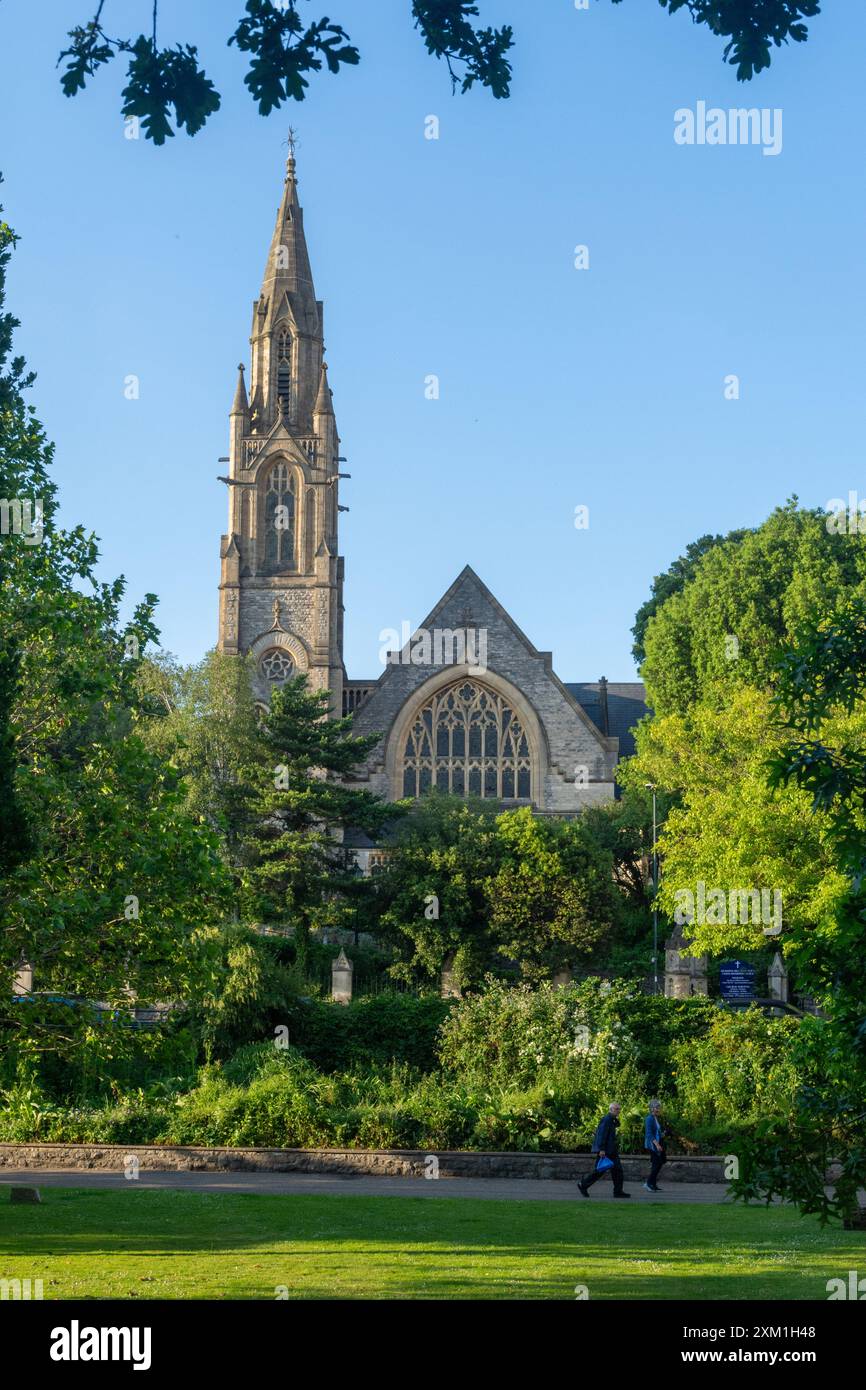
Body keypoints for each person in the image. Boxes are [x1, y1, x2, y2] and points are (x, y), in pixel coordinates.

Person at [578, 1102, 630, 1198]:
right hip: (605, 1150)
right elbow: (601, 1135)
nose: (619, 1111)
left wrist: (616, 1119)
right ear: (611, 1109)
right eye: (617, 1109)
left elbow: (617, 1125)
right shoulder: (606, 1120)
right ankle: (583, 1185)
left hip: (611, 1150)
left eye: (619, 1109)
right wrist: (601, 1149)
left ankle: (618, 1191)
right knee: (599, 1171)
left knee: (617, 1171)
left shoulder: (612, 1119)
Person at [644, 1099, 667, 1192]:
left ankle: (653, 1184)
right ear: (652, 1108)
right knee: (657, 1164)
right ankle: (648, 1183)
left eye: (659, 1107)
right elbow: (649, 1134)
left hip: (657, 1143)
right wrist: (657, 1145)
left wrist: (663, 1134)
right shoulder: (649, 1118)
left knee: (658, 1164)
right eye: (657, 1107)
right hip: (652, 1145)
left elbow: (656, 1132)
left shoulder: (655, 1118)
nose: (659, 1109)